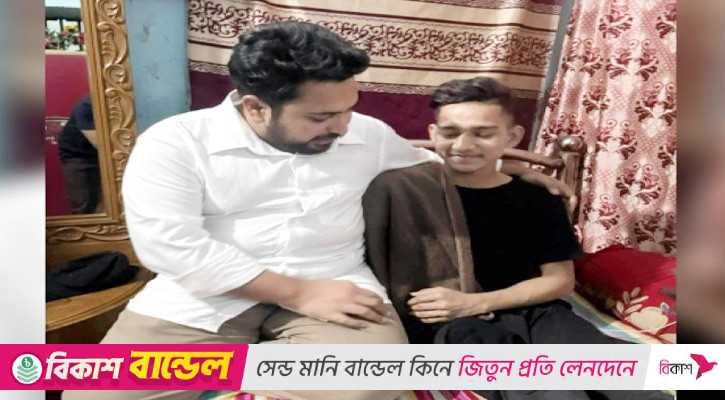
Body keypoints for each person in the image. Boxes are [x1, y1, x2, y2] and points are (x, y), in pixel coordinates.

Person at [64, 22, 568, 400]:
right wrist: (299, 293)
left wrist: (513, 168)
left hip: (337, 283)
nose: (344, 127)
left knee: (372, 382)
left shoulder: (366, 134)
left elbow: (434, 161)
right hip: (203, 298)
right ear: (255, 107)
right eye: (323, 116)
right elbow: (170, 247)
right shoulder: (176, 143)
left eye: (350, 108)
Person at [363, 77, 672, 400]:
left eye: (483, 133)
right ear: (433, 133)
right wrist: (463, 308)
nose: (463, 145)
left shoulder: (537, 197)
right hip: (455, 324)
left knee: (626, 380)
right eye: (450, 132)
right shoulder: (405, 192)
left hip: (536, 311)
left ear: (511, 136)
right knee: (554, 393)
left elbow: (559, 281)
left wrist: (474, 302)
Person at [58, 95, 102, 214]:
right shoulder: (86, 106)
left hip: (98, 156)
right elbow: (101, 145)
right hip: (78, 157)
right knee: (84, 204)